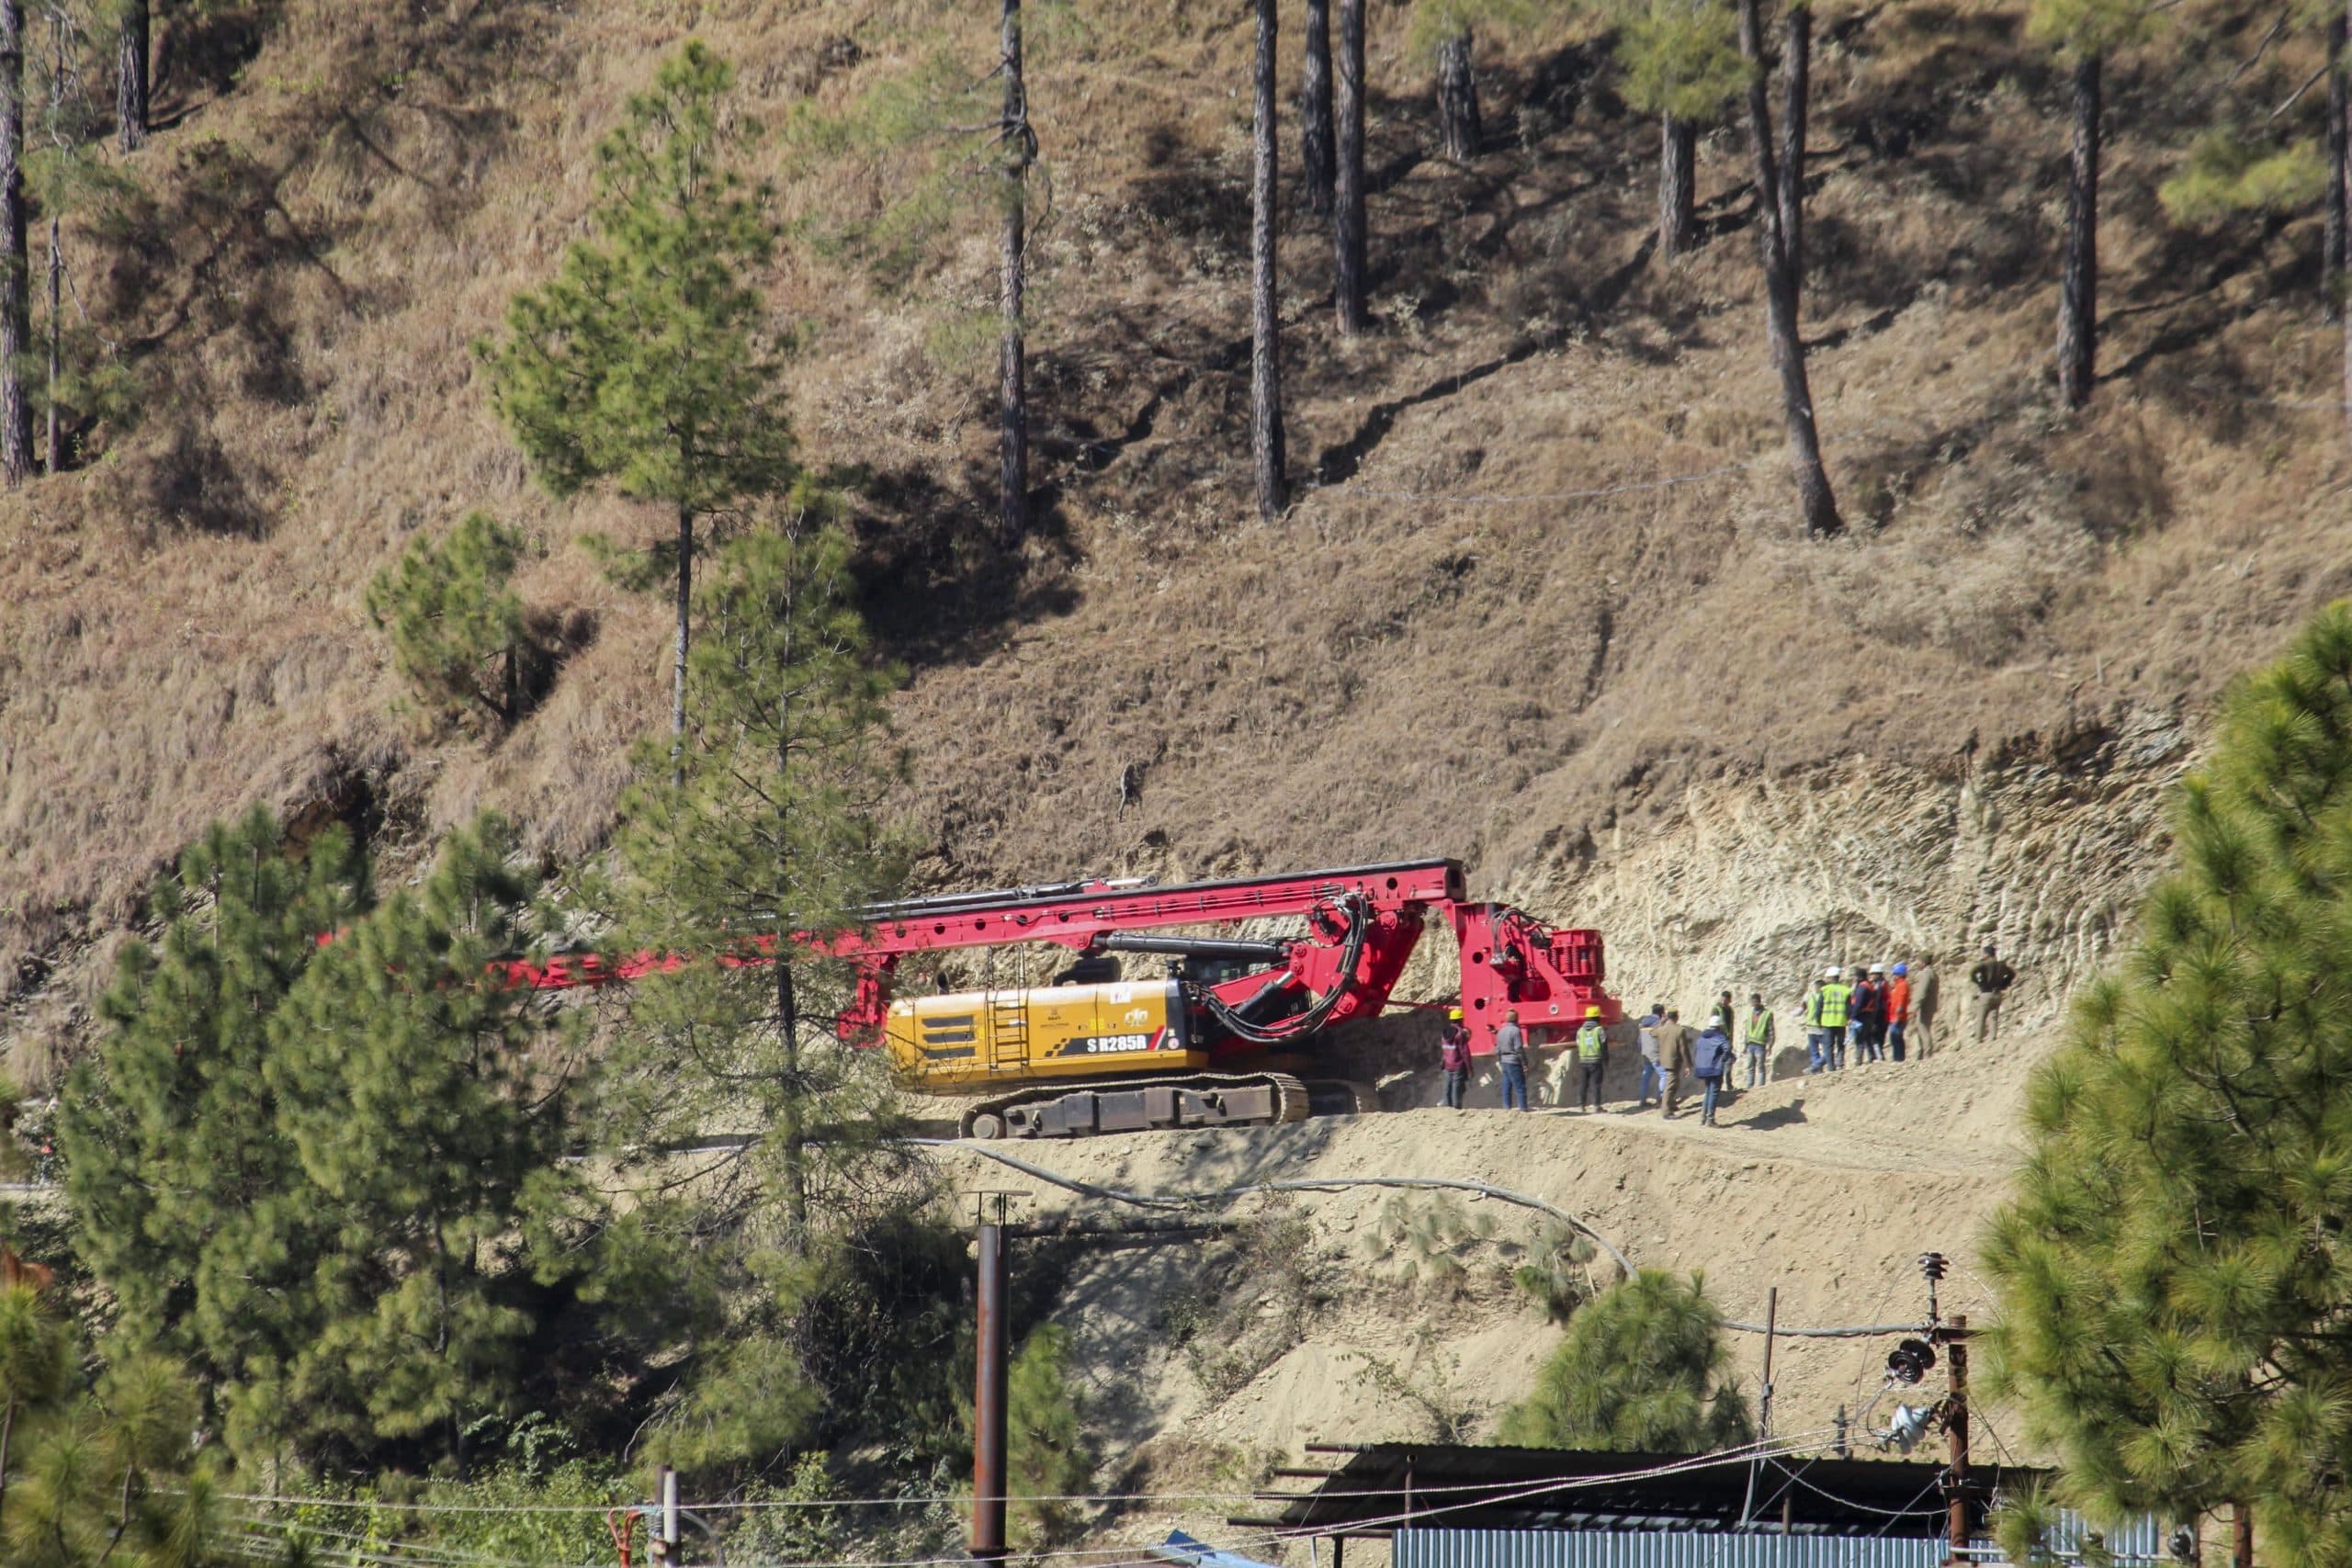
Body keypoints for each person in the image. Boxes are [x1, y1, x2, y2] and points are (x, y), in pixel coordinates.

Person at [1692, 1018, 1735, 1125]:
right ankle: (1710, 1119)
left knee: (1708, 1091)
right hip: (1715, 1068)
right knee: (1714, 1092)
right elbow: (1727, 1047)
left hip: (1703, 1068)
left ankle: (1703, 1118)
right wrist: (1724, 1058)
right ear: (1719, 1026)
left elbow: (1696, 1049)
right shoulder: (1719, 1037)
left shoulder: (1701, 1037)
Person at [1971, 942, 2016, 1042]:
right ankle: (1993, 1038)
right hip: (1997, 994)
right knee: (1994, 1017)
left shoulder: (1984, 964)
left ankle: (1978, 1039)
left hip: (1986, 993)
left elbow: (1972, 971)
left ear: (1987, 954)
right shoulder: (2001, 965)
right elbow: (2012, 973)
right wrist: (2004, 984)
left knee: (1981, 1017)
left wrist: (1977, 982)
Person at [1494, 1009, 1531, 1110]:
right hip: (1513, 1061)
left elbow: (1497, 1048)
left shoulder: (1501, 1031)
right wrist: (1524, 1063)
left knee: (1506, 1086)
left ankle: (1506, 1108)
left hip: (1504, 1061)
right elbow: (1518, 1048)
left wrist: (1500, 1060)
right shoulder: (1515, 1031)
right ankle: (1523, 1109)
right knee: (1520, 1087)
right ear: (1516, 1019)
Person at [1574, 1005, 1608, 1112]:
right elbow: (1604, 1045)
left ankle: (1581, 1106)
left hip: (1583, 1061)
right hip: (1596, 1061)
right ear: (1597, 1017)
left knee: (1583, 1084)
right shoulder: (1599, 1030)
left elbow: (1578, 1044)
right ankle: (1596, 1106)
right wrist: (1606, 1059)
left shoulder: (1580, 1031)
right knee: (1595, 1084)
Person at [1817, 966, 1852, 1071]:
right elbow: (1848, 1007)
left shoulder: (1825, 990)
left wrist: (1818, 1021)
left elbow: (1819, 1007)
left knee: (1828, 1046)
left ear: (1831, 978)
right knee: (1840, 1044)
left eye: (1827, 977)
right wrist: (1849, 1018)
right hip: (1841, 1022)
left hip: (1827, 1022)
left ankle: (1831, 1067)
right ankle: (1840, 1064)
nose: (1826, 980)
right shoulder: (1846, 990)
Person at [1660, 1009, 1693, 1116]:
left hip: (1665, 1059)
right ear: (1676, 1017)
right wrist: (1688, 1064)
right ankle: (1666, 1110)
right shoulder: (1679, 1030)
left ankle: (1671, 1104)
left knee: (1673, 1083)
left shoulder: (1662, 1028)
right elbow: (1683, 1049)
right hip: (1674, 1060)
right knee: (1671, 1085)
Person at [1440, 1009, 1472, 1109]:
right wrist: (1469, 1068)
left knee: (1447, 1087)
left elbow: (1445, 1050)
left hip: (1447, 1065)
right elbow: (1464, 1052)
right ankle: (1457, 1109)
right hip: (1458, 1065)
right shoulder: (1460, 1033)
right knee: (1457, 1088)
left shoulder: (1444, 1033)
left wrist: (1443, 1062)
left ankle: (1448, 1108)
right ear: (1461, 1019)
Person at [1635, 1003, 1665, 1109]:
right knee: (1664, 1075)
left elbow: (1639, 1040)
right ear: (1662, 1012)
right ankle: (1661, 1099)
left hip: (1645, 1052)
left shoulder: (1643, 1022)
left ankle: (1642, 1100)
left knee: (1646, 1076)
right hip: (1655, 1052)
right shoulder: (1659, 1022)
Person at [1910, 953, 1940, 1058]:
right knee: (1922, 1028)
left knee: (1923, 1028)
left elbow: (1921, 992)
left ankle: (1928, 1054)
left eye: (1918, 961)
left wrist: (1915, 1006)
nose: (1916, 963)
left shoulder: (1926, 974)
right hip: (1930, 1005)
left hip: (1925, 1006)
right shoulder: (1933, 973)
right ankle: (1921, 1053)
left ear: (1923, 962)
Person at [1742, 992, 1774, 1088]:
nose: (1754, 1004)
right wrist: (1745, 1044)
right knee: (1750, 1066)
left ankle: (1760, 1086)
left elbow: (1771, 1031)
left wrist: (1769, 1045)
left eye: (1755, 1002)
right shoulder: (1750, 1013)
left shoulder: (1767, 1014)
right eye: (1752, 1002)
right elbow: (1747, 1030)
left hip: (1760, 1044)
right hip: (1750, 1043)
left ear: (1759, 1002)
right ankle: (1749, 1085)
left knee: (1760, 1066)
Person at [1885, 964, 1912, 1062]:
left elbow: (1901, 1001)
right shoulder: (1898, 985)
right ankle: (1898, 1058)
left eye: (1895, 974)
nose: (1894, 976)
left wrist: (1897, 1015)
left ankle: (1899, 1058)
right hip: (1895, 1016)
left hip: (1898, 1017)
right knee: (1895, 1038)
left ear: (1899, 974)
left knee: (1896, 1038)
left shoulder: (1902, 985)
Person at [1804, 976, 1829, 1074]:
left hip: (1812, 1027)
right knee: (1827, 1051)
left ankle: (1815, 1067)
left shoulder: (1809, 996)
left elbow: (1802, 1008)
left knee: (1815, 1052)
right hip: (1822, 1027)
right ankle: (1817, 1069)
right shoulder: (1826, 996)